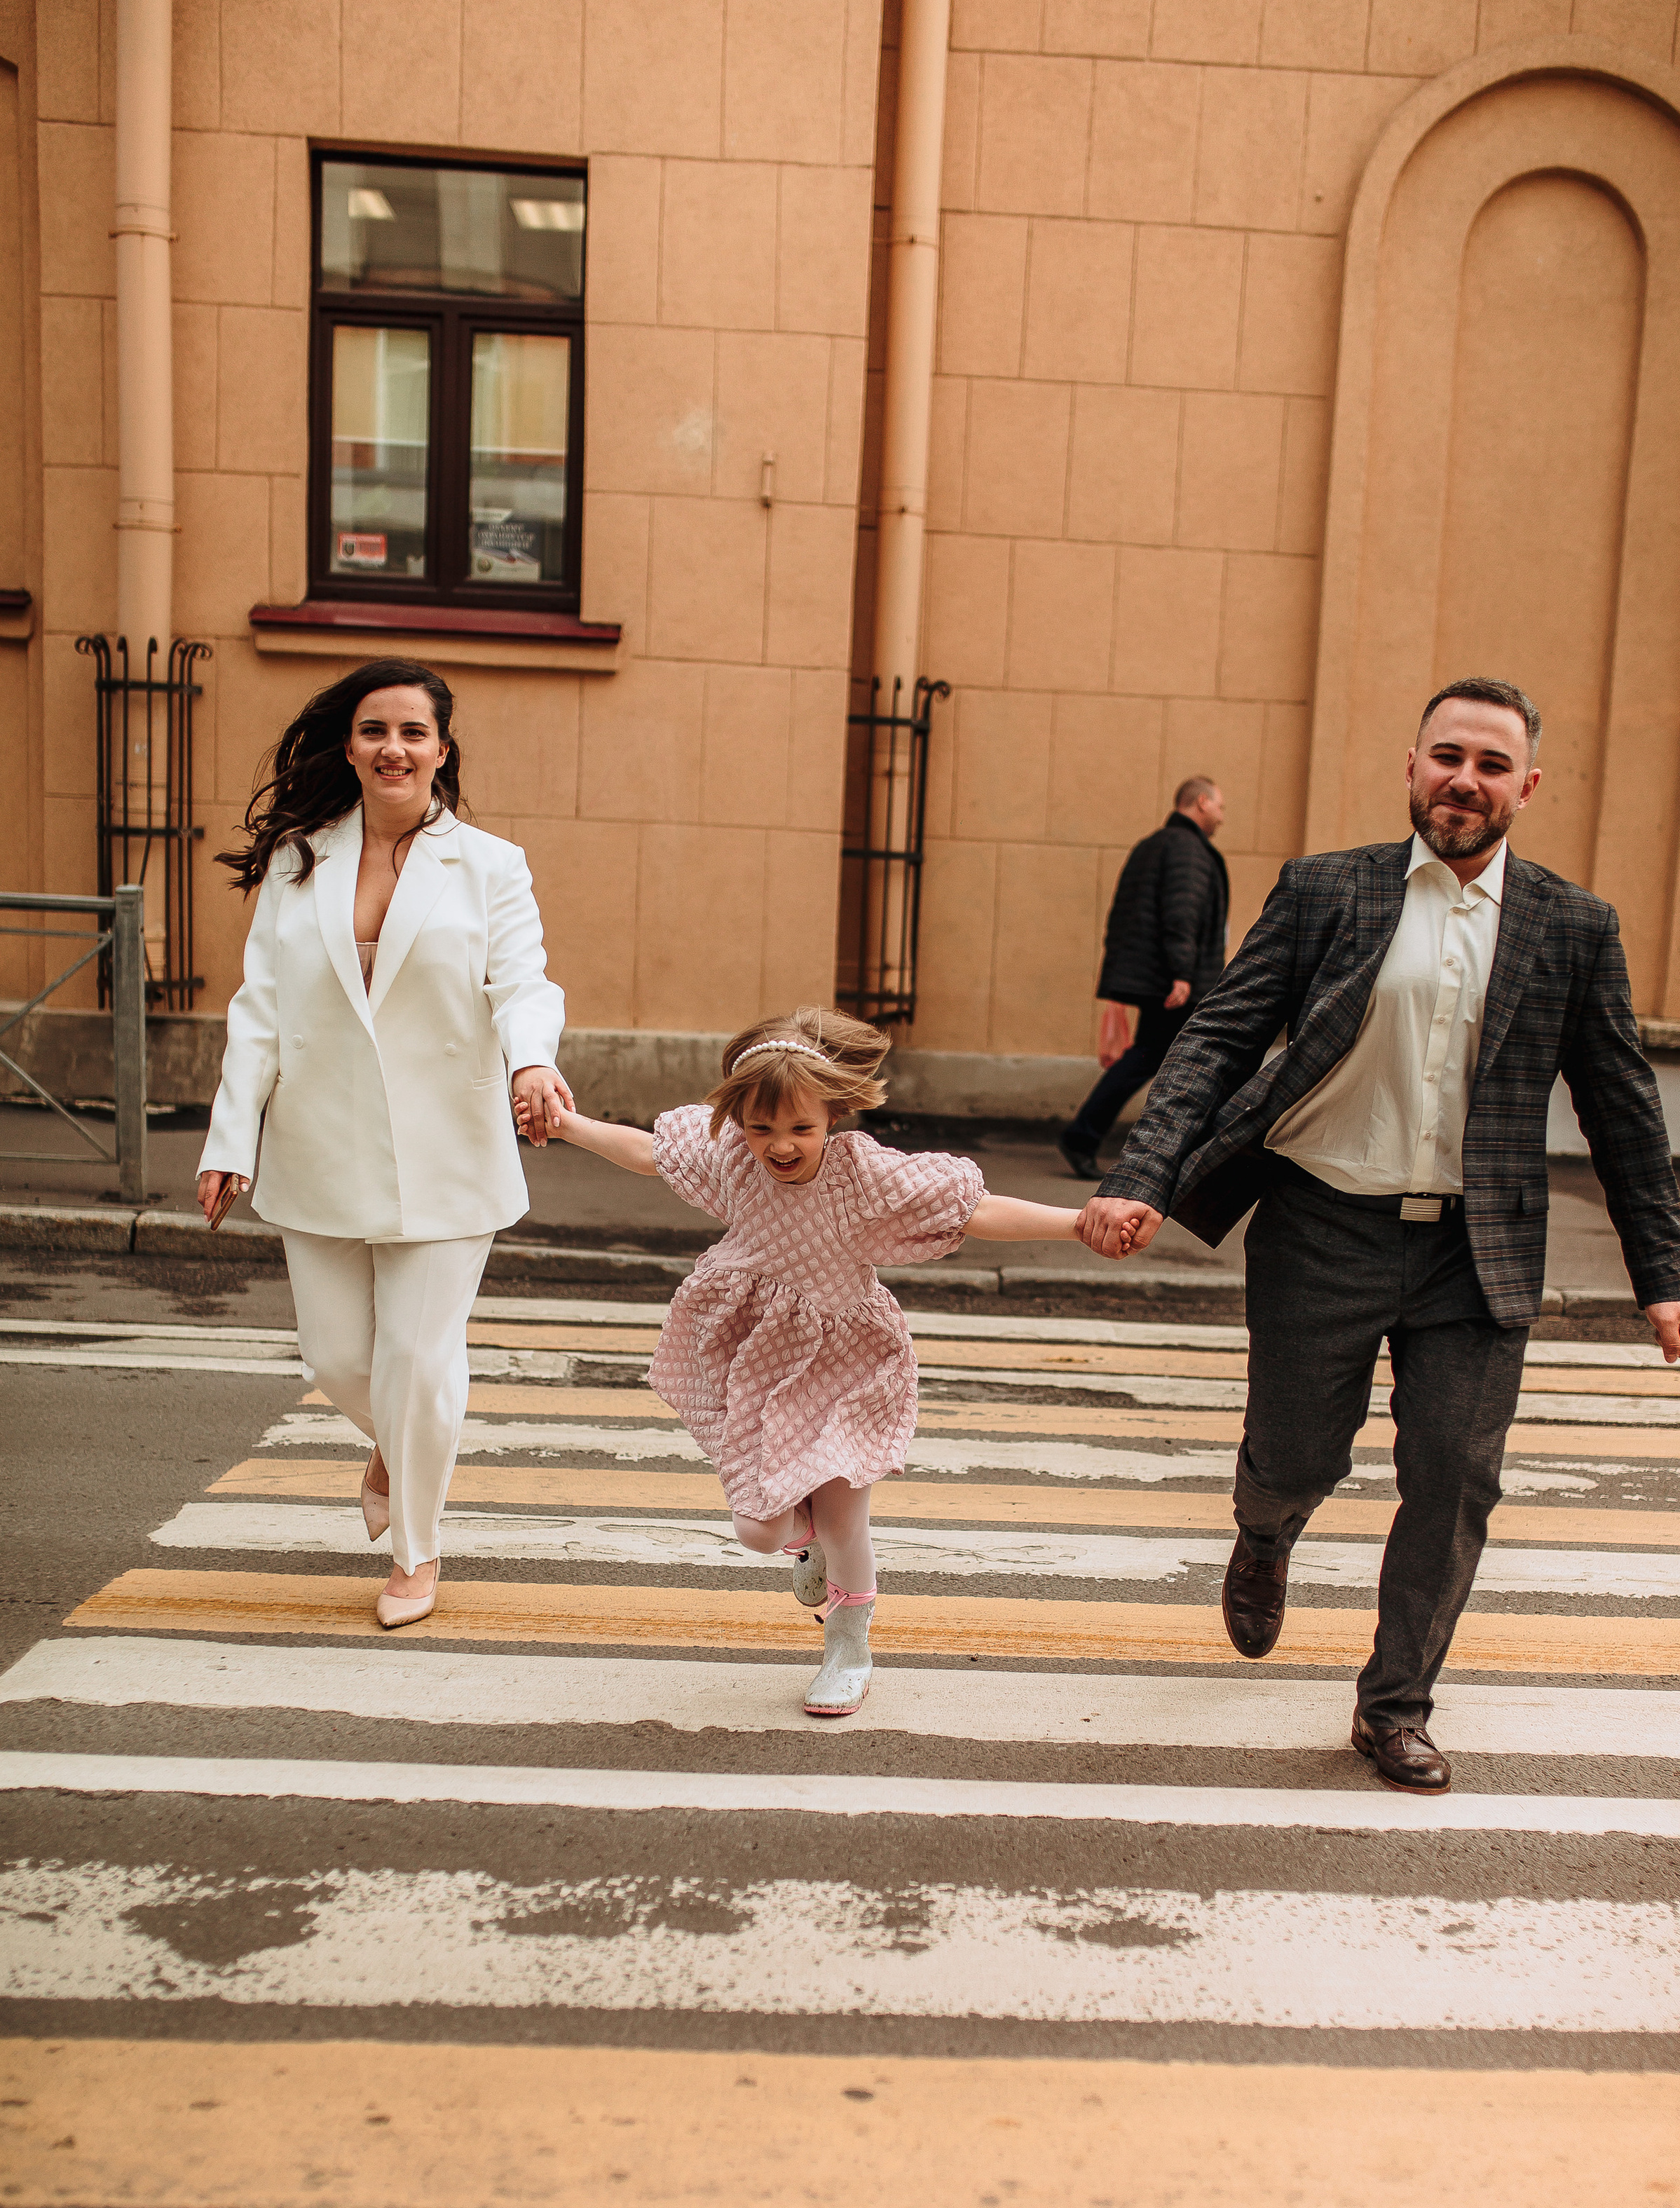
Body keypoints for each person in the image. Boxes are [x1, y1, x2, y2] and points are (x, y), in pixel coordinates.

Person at [1075, 677, 1680, 1794]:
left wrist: (1665, 1278)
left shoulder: (1573, 925)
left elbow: (1623, 1109)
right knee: (1299, 1453)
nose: (1466, 780)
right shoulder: (1330, 892)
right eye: (1448, 756)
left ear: (1528, 787)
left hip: (1479, 1250)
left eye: (1492, 764)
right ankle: (1266, 1530)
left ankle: (1395, 1707)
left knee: (1457, 1479)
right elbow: (1219, 1039)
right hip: (1323, 1226)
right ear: (1412, 766)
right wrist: (1145, 1179)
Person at [521, 1009, 1086, 1716]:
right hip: (755, 1357)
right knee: (759, 1531)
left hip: (844, 1363)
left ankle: (848, 1649)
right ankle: (805, 1542)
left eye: (800, 1129)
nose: (780, 1146)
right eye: (762, 1130)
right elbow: (645, 1153)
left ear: (832, 1115)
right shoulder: (731, 1157)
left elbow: (974, 1210)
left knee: (848, 1521)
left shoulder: (860, 1177)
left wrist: (1077, 1224)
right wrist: (566, 1125)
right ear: (740, 1122)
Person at [197, 657, 572, 1633]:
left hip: (451, 1147)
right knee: (335, 1357)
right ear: (350, 746)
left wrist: (533, 1064)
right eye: (374, 730)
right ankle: (400, 1445)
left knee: (414, 1356)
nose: (392, 748)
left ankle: (416, 1548)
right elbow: (261, 1011)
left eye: (412, 732)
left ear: (442, 750)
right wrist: (230, 1136)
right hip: (320, 1142)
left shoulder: (490, 863)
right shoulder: (299, 859)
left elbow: (523, 983)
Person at [1058, 775, 1229, 1180]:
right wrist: (1183, 974)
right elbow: (1181, 916)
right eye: (1220, 807)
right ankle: (1086, 1137)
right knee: (1168, 1058)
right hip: (1173, 981)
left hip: (1157, 976)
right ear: (1201, 803)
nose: (1222, 817)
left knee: (1164, 1058)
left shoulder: (1155, 844)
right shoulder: (1188, 850)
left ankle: (1164, 1148)